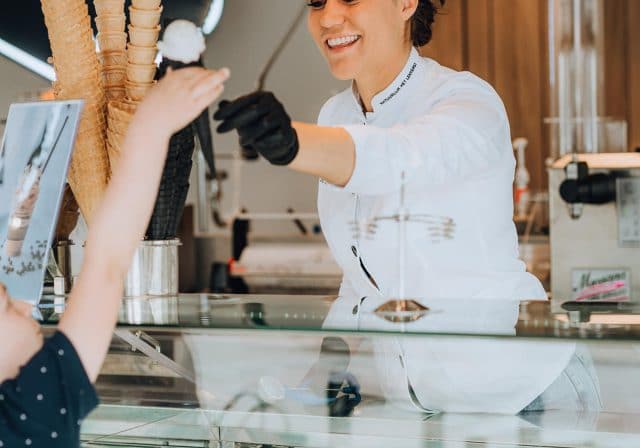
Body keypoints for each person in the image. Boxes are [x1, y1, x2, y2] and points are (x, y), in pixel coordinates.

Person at [214, 0, 602, 413]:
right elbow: (360, 276)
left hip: (526, 390)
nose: (327, 17)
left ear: (406, 3)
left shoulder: (467, 102)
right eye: (316, 2)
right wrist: (328, 373)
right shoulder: (335, 115)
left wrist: (293, 143)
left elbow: (398, 158)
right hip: (428, 406)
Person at [0, 66, 229, 446]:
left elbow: (108, 262)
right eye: (8, 305)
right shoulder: (32, 410)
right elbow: (106, 262)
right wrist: (151, 125)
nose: (26, 305)